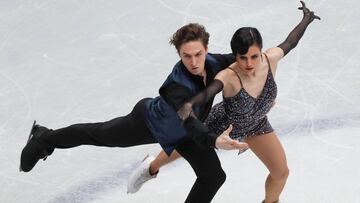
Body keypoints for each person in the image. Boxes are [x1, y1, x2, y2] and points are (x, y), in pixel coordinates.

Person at [19, 23, 249, 202]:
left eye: (198, 54)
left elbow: (250, 59)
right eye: (186, 56)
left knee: (213, 177)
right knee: (101, 134)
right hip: (151, 122)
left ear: (206, 49)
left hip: (185, 134)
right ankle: (45, 138)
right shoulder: (176, 87)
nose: (194, 61)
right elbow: (188, 118)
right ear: (178, 54)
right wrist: (213, 140)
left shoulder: (214, 62)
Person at [127, 1, 320, 203]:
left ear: (261, 51)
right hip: (222, 124)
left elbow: (290, 42)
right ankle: (150, 168)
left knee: (281, 172)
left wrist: (306, 19)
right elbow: (210, 90)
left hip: (257, 124)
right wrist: (189, 104)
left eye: (254, 56)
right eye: (242, 58)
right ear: (234, 56)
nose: (249, 63)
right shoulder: (228, 75)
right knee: (182, 147)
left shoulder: (271, 58)